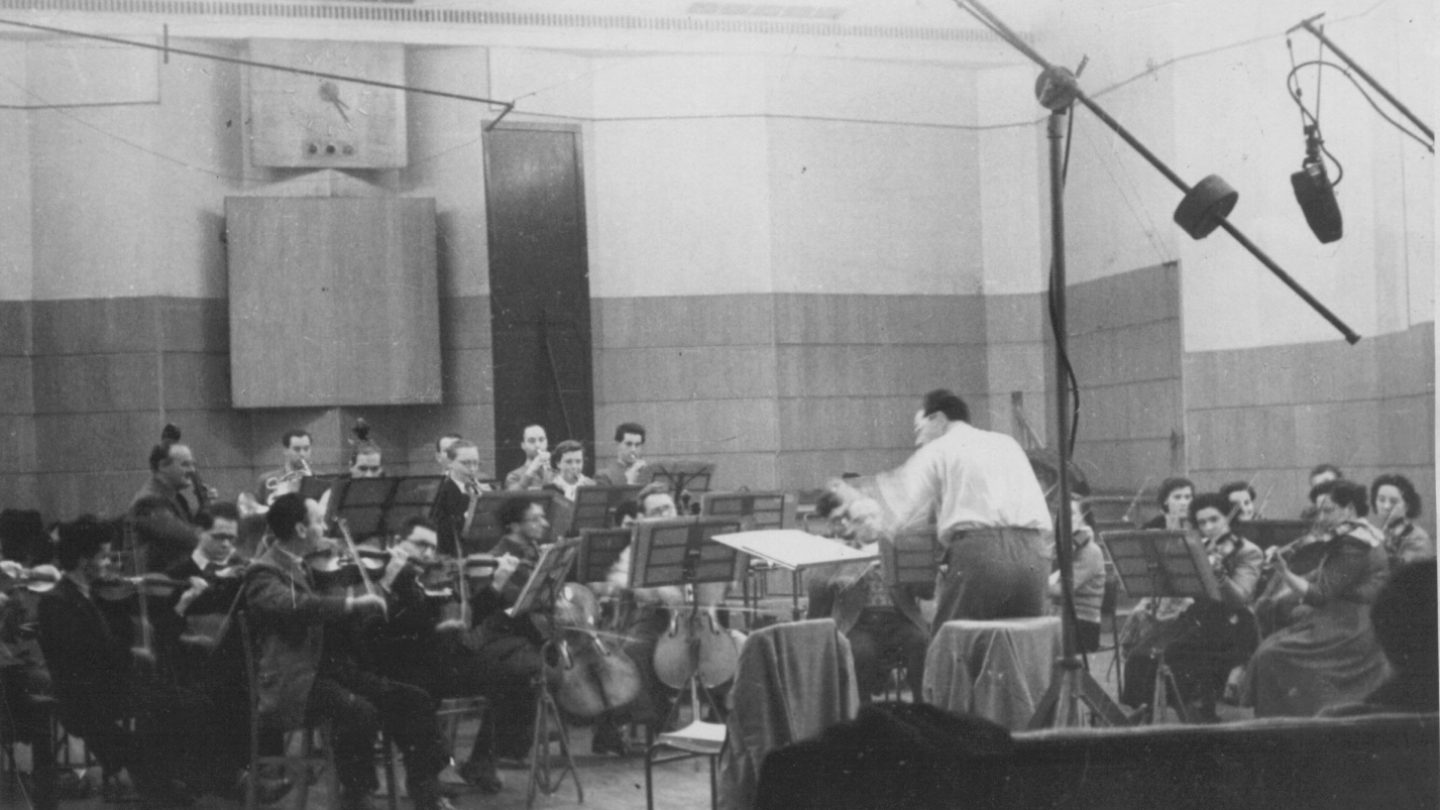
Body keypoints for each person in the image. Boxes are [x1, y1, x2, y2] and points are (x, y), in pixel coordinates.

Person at [243, 493, 447, 810]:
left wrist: (381, 586)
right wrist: (351, 602)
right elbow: (294, 605)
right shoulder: (263, 572)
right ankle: (357, 796)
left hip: (331, 671)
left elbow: (345, 618)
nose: (326, 528)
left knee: (413, 699)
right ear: (300, 529)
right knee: (358, 711)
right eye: (319, 521)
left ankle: (426, 793)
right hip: (294, 681)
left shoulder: (309, 564)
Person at [836, 389, 1052, 627]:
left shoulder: (939, 448)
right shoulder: (1007, 443)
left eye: (919, 430)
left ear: (937, 418)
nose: (918, 441)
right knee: (1025, 641)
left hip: (982, 555)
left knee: (952, 641)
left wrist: (848, 499)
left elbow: (895, 506)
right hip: (1035, 555)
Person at [38, 517, 195, 807]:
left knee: (184, 701)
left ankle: (171, 781)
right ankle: (166, 786)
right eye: (104, 556)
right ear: (83, 560)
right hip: (89, 697)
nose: (110, 564)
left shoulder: (92, 594)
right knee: (178, 705)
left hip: (112, 688)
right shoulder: (57, 602)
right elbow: (84, 661)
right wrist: (133, 657)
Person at [1242, 479, 1391, 717]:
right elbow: (1322, 574)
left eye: (1328, 510)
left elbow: (1320, 594)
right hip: (1340, 618)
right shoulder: (1353, 537)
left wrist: (1285, 572)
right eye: (1319, 511)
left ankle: (1280, 722)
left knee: (1270, 655)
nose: (1321, 518)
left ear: (1349, 509)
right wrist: (1282, 588)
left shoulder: (1356, 545)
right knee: (1272, 644)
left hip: (1351, 628)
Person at [807, 491, 929, 702]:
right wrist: (834, 576)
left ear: (882, 518)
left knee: (921, 643)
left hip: (898, 619)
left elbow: (925, 592)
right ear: (852, 525)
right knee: (861, 653)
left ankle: (923, 706)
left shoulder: (897, 547)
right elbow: (818, 590)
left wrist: (913, 571)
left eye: (874, 516)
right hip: (859, 623)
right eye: (861, 519)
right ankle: (865, 710)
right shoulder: (841, 550)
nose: (869, 523)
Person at [130, 434, 201, 572]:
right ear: (162, 466)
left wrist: (206, 506)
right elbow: (187, 538)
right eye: (185, 464)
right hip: (162, 581)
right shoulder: (148, 500)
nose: (192, 470)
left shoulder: (176, 498)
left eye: (193, 464)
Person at [1049, 497, 1106, 654]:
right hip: (1063, 619)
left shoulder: (1090, 551)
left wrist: (1033, 585)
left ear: (1084, 519)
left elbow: (1064, 590)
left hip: (1082, 624)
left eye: (1071, 514)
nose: (1064, 519)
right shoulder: (1066, 547)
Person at [429, 439, 492, 555]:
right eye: (465, 463)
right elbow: (442, 532)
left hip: (486, 552)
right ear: (450, 463)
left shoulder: (484, 489)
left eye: (476, 463)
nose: (472, 469)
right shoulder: (441, 493)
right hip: (456, 555)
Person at [1368, 473, 1435, 568]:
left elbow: (1404, 571)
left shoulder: (1417, 538)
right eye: (1381, 500)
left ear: (1407, 505)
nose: (1386, 506)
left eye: (1393, 501)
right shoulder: (1381, 532)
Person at [254, 429, 314, 504]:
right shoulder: (267, 480)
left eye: (306, 449)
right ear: (285, 450)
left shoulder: (320, 479)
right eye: (297, 449)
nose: (302, 454)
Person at [594, 422, 652, 487]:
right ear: (617, 445)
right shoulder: (605, 476)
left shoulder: (648, 472)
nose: (633, 449)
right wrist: (630, 481)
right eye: (628, 444)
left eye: (637, 445)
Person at [504, 424, 555, 490]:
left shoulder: (557, 472)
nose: (537, 445)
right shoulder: (514, 476)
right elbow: (513, 494)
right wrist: (532, 469)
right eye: (532, 441)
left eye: (541, 440)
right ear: (523, 445)